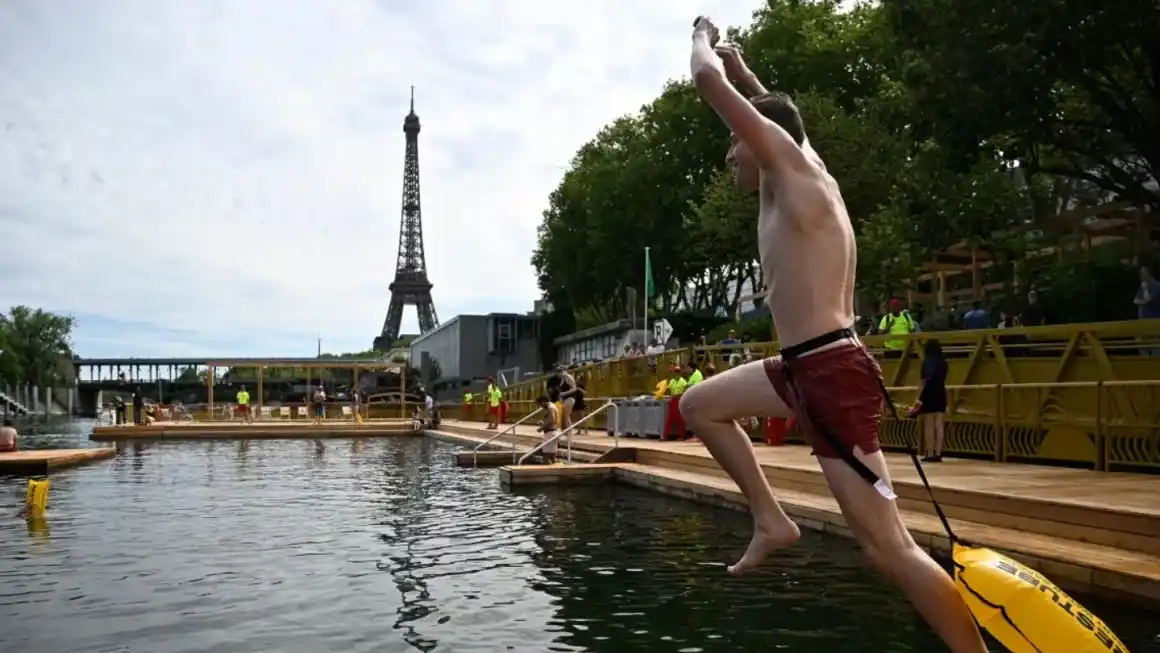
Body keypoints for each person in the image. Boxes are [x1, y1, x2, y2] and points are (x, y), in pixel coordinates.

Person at [681, 19, 985, 653]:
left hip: (830, 372)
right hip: (801, 367)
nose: (730, 154)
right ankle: (770, 519)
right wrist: (748, 74)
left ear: (761, 137)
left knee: (888, 547)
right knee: (699, 405)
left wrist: (703, 38)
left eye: (736, 141)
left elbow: (707, 82)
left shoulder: (791, 171)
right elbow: (783, 114)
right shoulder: (806, 165)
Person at [917, 339, 949, 462]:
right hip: (941, 391)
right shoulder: (943, 362)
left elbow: (923, 381)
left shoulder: (927, 362)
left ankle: (930, 453)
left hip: (929, 392)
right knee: (939, 423)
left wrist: (918, 397)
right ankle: (939, 452)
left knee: (929, 424)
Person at [534, 395, 560, 464]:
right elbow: (551, 420)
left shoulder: (550, 408)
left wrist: (541, 428)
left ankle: (547, 468)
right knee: (552, 457)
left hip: (550, 434)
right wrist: (543, 423)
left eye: (540, 404)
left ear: (543, 401)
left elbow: (551, 419)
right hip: (552, 433)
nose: (540, 406)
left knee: (546, 456)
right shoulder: (551, 406)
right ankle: (554, 469)